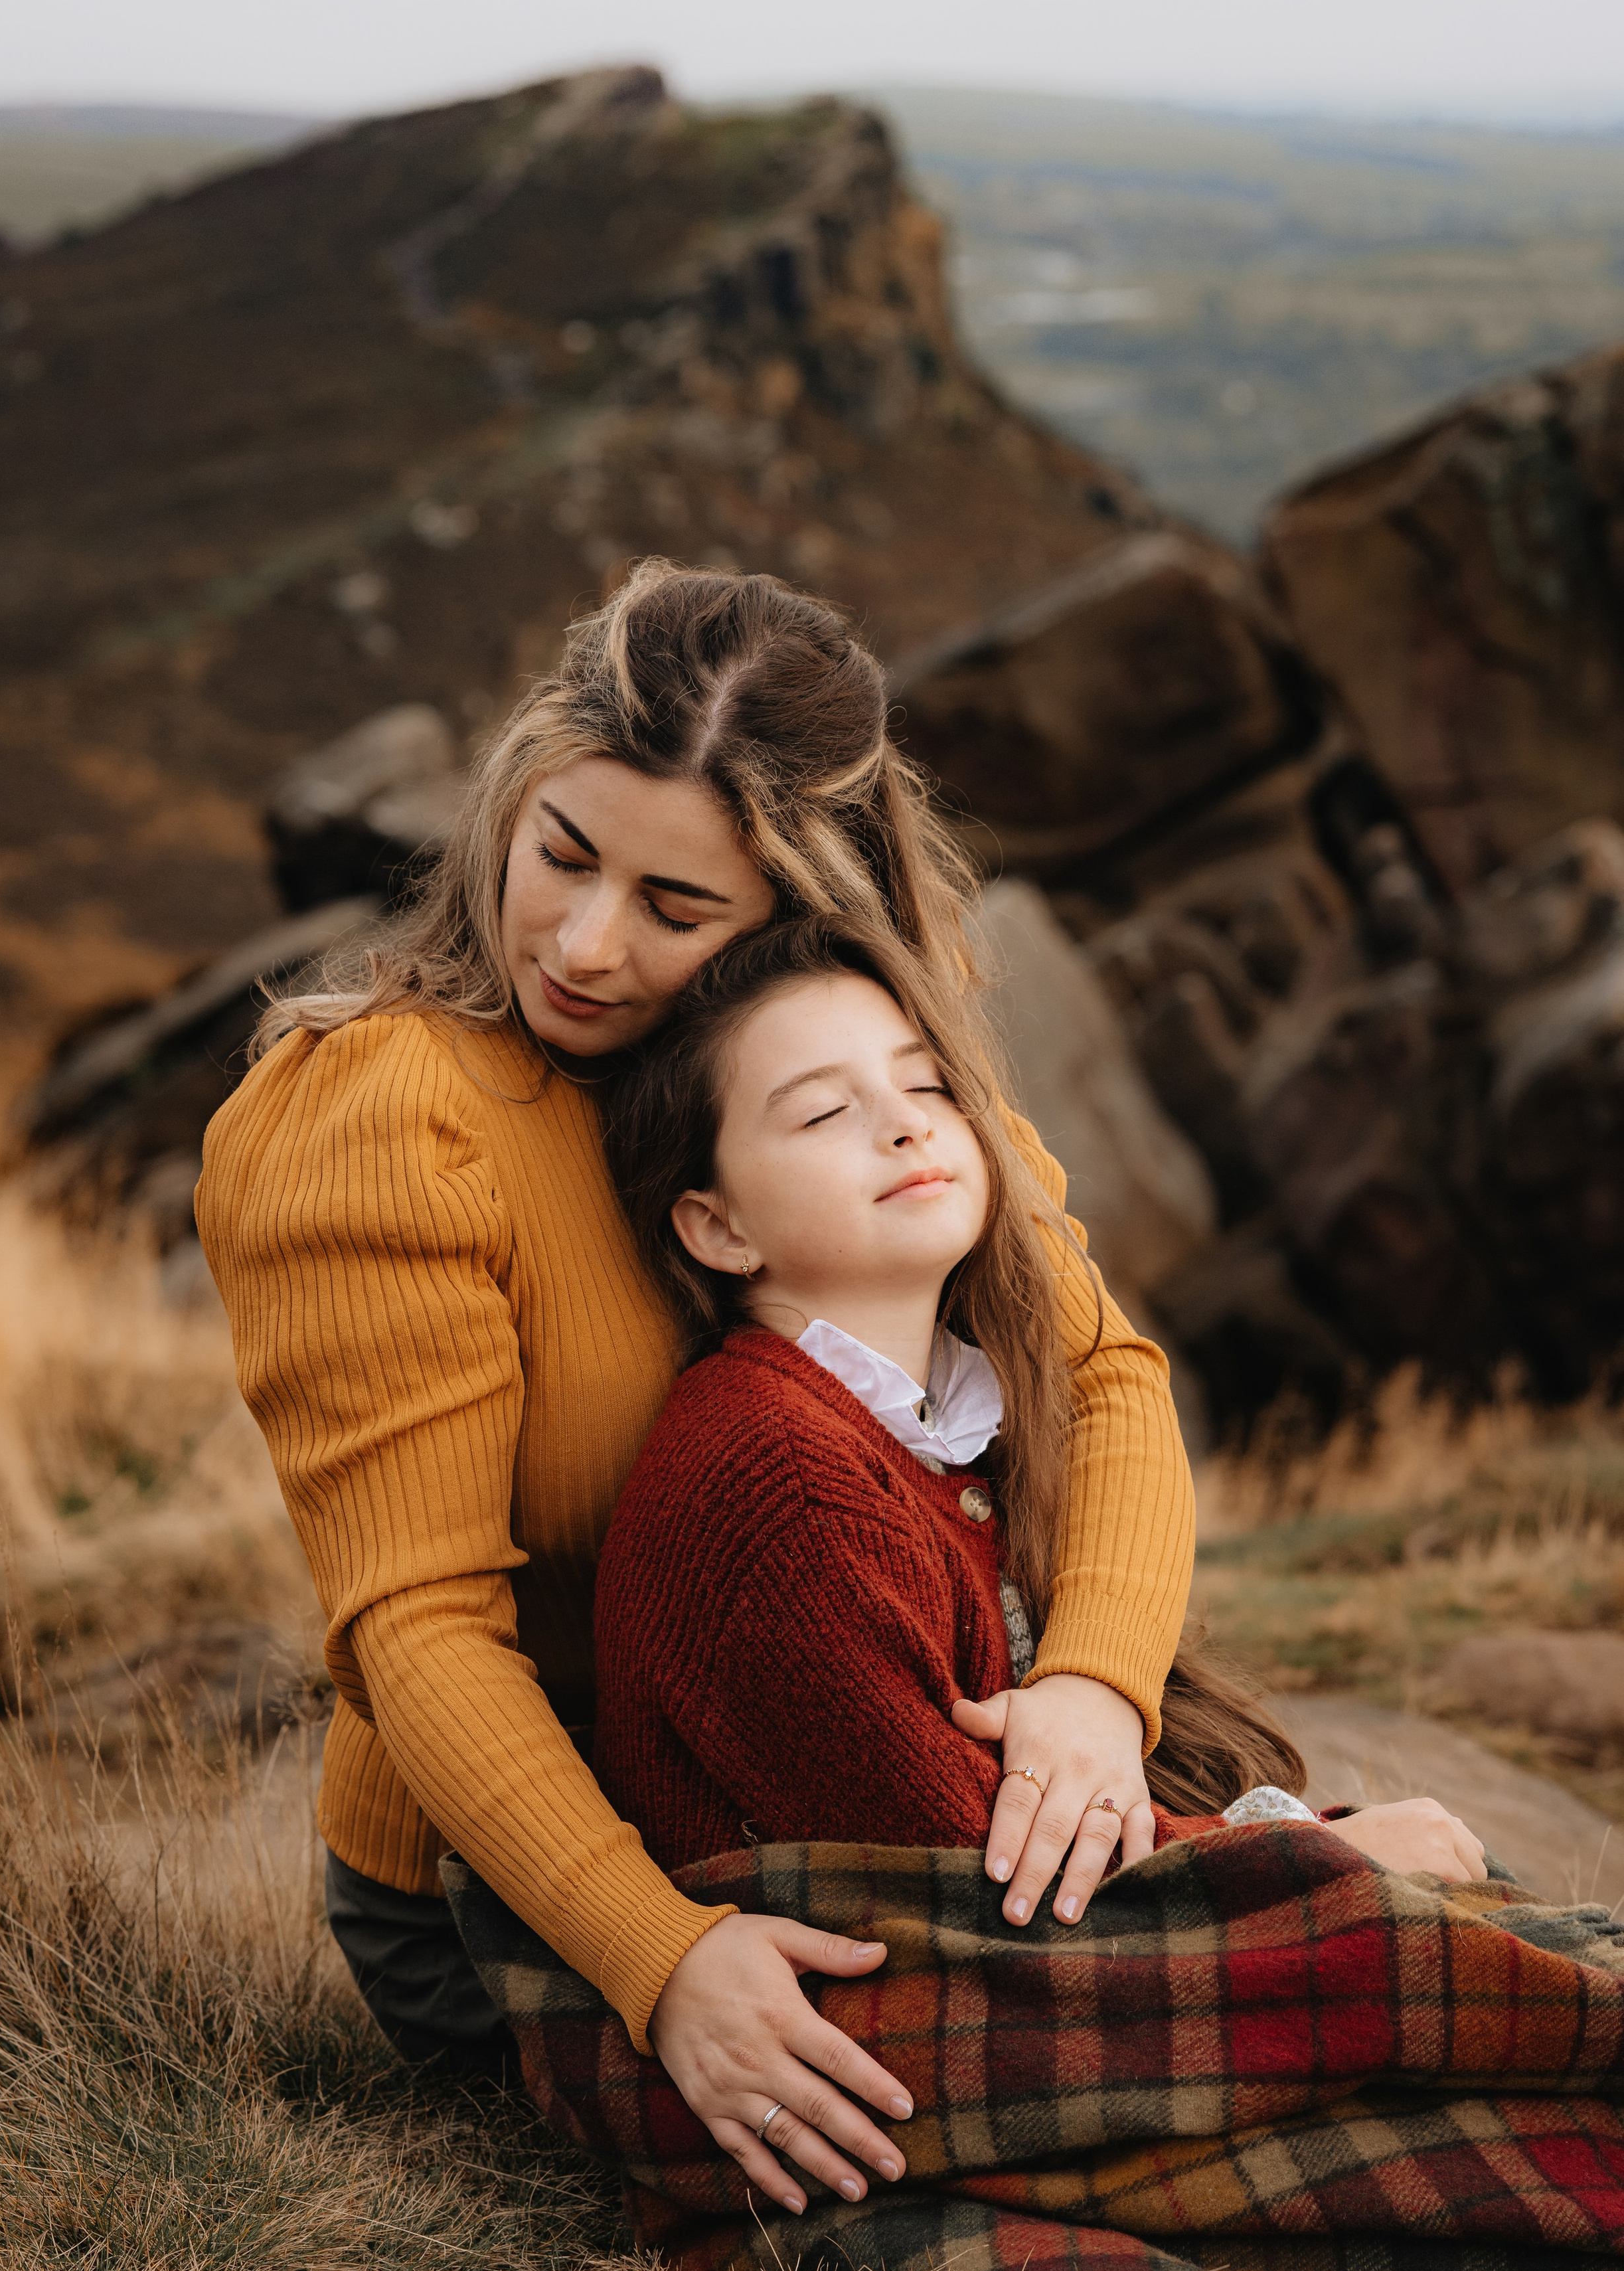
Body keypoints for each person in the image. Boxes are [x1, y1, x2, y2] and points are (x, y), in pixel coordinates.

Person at [199, 558, 1201, 2217]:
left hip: (850, 1741)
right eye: (562, 858)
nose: (585, 948)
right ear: (512, 801)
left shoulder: (845, 1055)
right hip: (533, 1880)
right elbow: (417, 1629)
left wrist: (1096, 1688)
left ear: (798, 914)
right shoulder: (386, 1117)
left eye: (676, 911)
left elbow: (1098, 1370)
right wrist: (661, 1963)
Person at [590, 918, 1487, 2199]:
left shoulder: (946, 1421)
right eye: (822, 1114)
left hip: (998, 2005)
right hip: (888, 2072)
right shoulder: (776, 1478)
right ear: (719, 1227)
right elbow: (1002, 1899)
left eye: (925, 1085)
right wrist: (1329, 1856)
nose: (904, 1127)